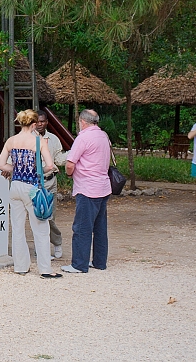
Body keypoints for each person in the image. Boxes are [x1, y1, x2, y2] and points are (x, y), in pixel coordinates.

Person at [0, 109, 61, 278]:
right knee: (40, 228)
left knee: (17, 228)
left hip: (15, 185)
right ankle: (45, 269)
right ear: (33, 124)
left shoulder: (11, 141)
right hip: (31, 186)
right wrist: (36, 171)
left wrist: (16, 169)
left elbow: (1, 165)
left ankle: (20, 266)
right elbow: (49, 165)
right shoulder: (39, 141)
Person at [61, 109, 111, 274]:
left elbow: (70, 163)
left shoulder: (83, 137)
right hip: (103, 186)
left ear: (82, 121)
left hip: (87, 187)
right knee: (100, 227)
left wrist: (69, 174)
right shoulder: (103, 135)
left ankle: (79, 264)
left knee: (82, 227)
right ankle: (99, 261)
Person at [36, 109, 66, 259]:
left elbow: (59, 159)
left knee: (49, 217)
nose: (40, 124)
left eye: (42, 121)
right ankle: (41, 247)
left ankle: (57, 242)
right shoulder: (27, 138)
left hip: (49, 182)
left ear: (47, 122)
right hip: (32, 184)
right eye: (37, 121)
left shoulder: (53, 139)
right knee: (35, 217)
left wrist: (75, 155)